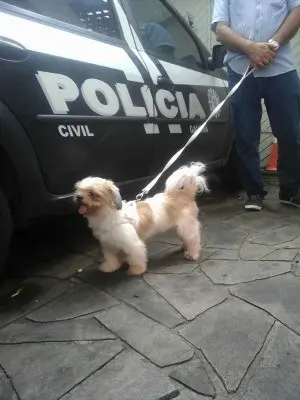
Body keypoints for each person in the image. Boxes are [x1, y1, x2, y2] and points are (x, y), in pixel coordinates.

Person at [212, 0, 300, 211]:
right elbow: (220, 28)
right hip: (240, 68)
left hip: (280, 66)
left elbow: (297, 11)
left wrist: (273, 45)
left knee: (291, 133)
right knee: (245, 135)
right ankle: (254, 192)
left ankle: (291, 190)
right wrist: (249, 48)